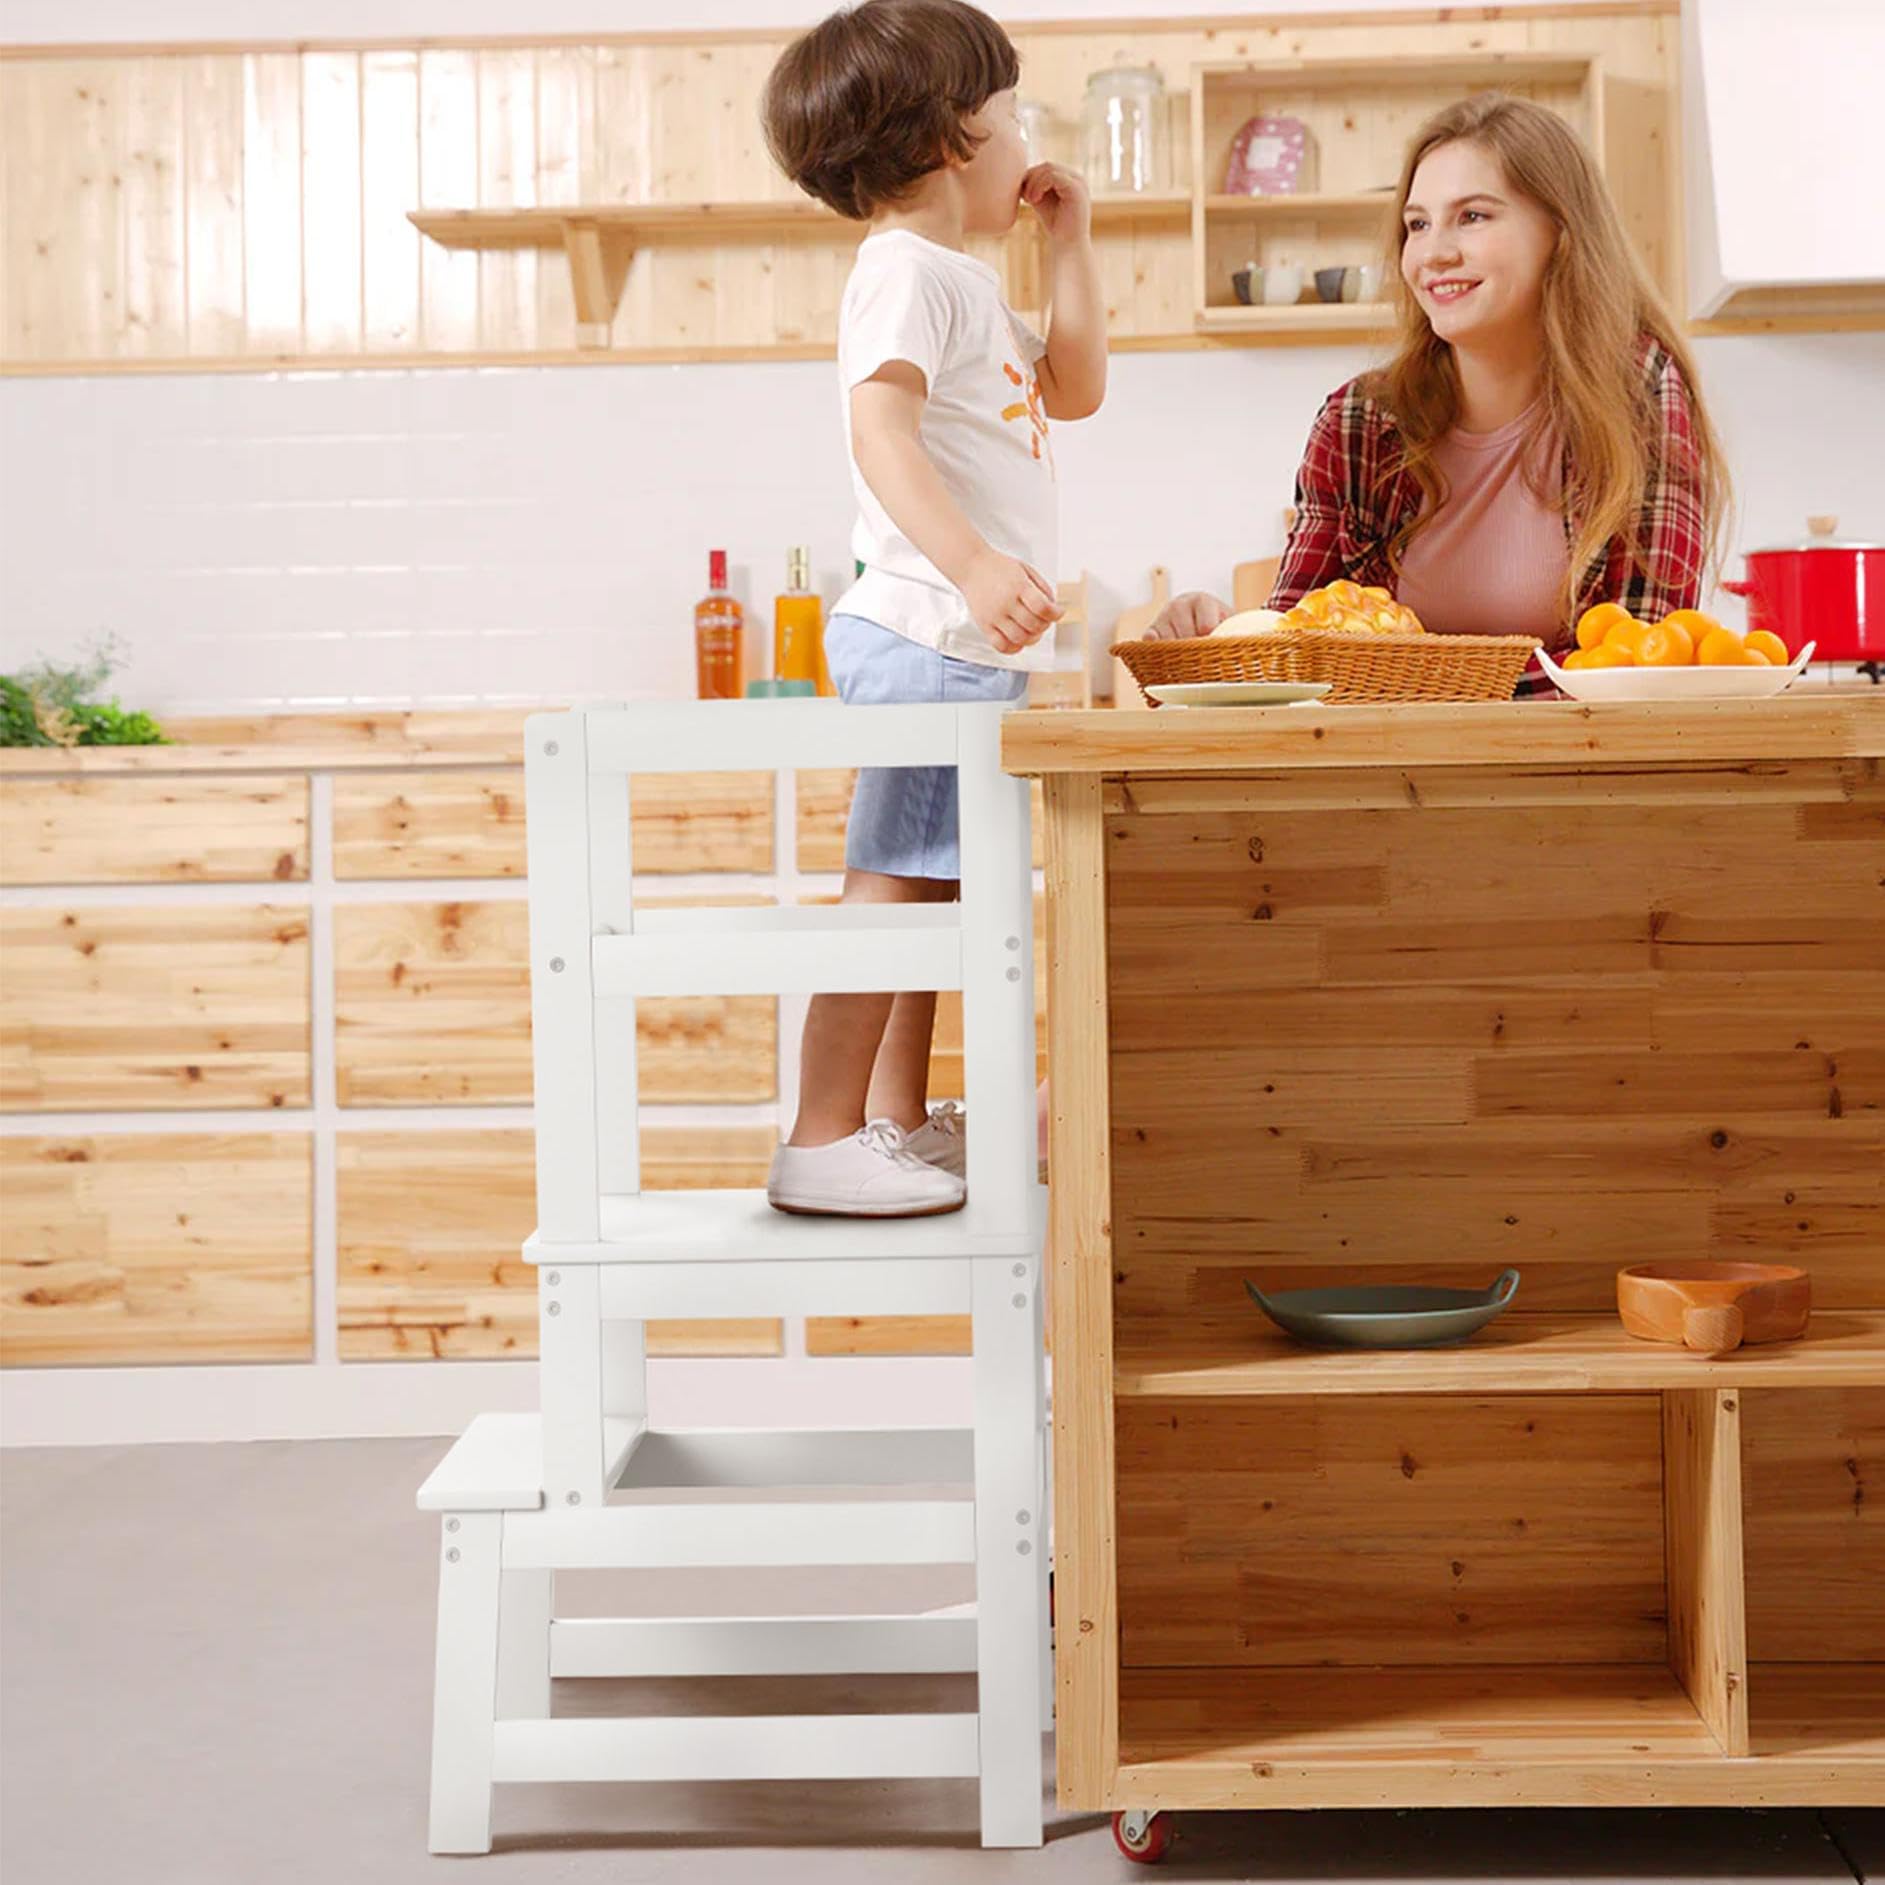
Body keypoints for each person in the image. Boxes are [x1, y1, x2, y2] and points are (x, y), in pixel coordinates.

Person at [759, 0, 1106, 1215]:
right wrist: (968, 564)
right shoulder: (901, 274)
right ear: (955, 140)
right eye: (1014, 118)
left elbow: (1073, 388)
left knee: (931, 884)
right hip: (920, 631)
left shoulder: (957, 281)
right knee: (895, 883)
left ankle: (895, 1121)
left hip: (953, 642)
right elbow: (879, 430)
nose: (1027, 144)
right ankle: (819, 1134)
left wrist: (1065, 246)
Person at [1146, 93, 1730, 672]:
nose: (1434, 253)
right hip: (1390, 767)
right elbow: (1304, 661)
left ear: (1560, 229)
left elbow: (1638, 664)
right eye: (1417, 224)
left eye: (1472, 217)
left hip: (1577, 765)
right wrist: (1223, 642)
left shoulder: (1637, 392)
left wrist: (1419, 684)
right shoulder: (1358, 423)